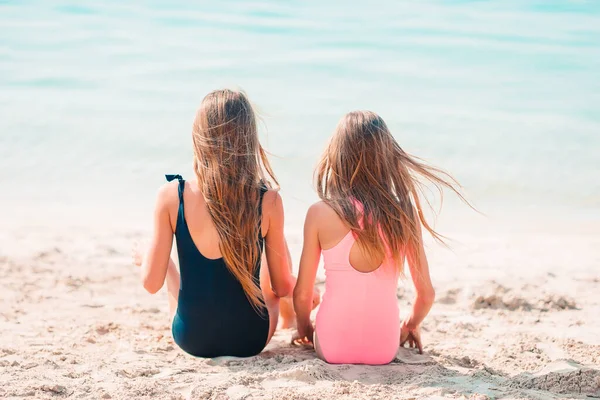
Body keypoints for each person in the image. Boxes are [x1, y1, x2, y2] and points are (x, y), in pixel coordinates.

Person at [293, 111, 470, 364]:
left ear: (337, 156)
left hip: (332, 346)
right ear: (386, 157)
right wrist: (409, 326)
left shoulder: (320, 213)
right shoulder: (403, 213)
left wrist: (305, 329)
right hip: (384, 349)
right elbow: (426, 294)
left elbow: (302, 294)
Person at [131, 89, 298, 358]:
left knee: (172, 272)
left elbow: (151, 284)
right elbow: (281, 287)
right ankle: (291, 319)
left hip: (192, 339)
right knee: (271, 289)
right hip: (250, 340)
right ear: (248, 138)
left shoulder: (172, 195)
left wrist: (144, 255)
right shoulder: (268, 200)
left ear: (199, 137)